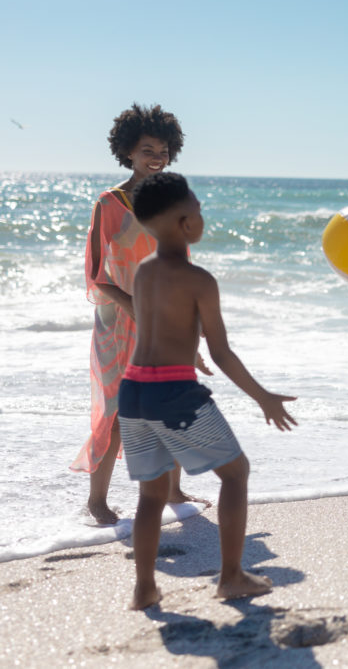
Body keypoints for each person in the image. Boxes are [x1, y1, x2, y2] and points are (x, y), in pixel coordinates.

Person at [120, 172, 296, 609]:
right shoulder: (200, 280)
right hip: (174, 395)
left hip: (133, 391)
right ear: (184, 223)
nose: (202, 216)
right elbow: (221, 352)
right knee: (235, 473)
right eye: (198, 210)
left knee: (151, 495)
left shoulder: (143, 272)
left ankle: (144, 588)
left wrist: (185, 353)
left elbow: (155, 331)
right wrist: (263, 397)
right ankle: (232, 576)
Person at [71, 104, 208, 524]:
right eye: (148, 149)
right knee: (114, 415)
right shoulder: (109, 204)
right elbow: (96, 276)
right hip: (118, 326)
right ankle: (97, 501)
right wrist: (132, 307)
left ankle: (174, 490)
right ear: (128, 151)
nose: (157, 157)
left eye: (163, 150)